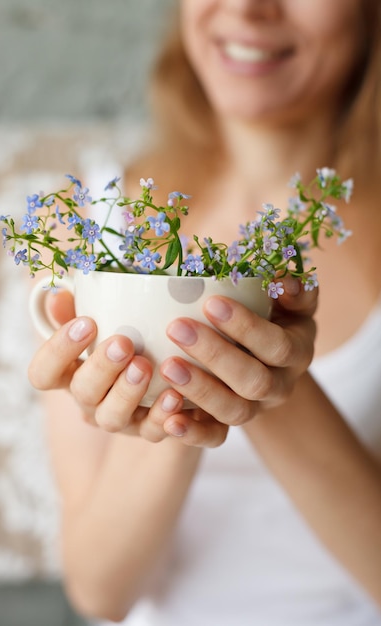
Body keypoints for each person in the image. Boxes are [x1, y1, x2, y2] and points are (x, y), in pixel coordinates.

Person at [28, 1, 381, 624]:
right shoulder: (94, 228)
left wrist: (270, 385)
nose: (248, 8)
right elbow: (101, 593)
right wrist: (178, 399)